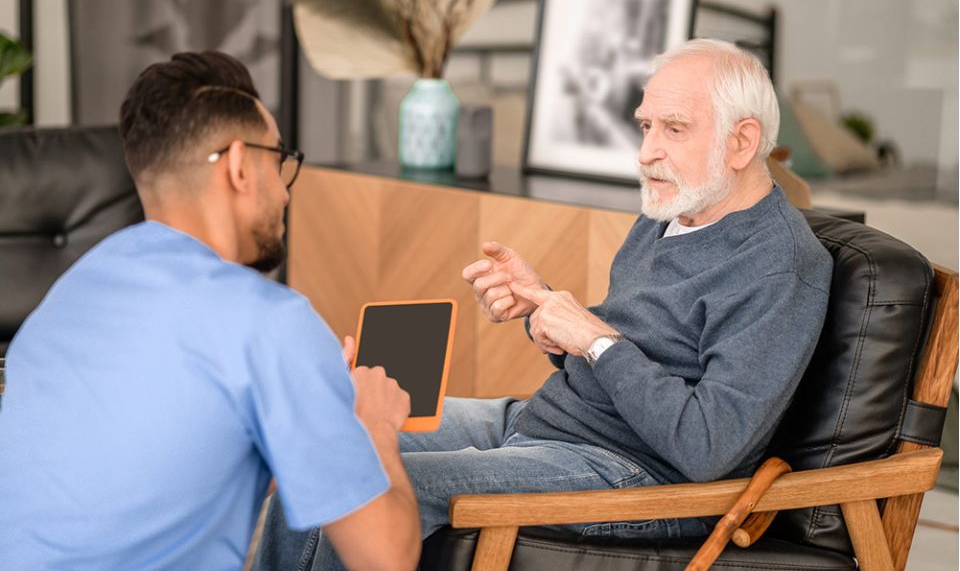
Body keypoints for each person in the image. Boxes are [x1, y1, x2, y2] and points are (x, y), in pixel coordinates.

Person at [254, 38, 834, 570]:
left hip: (639, 476)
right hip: (546, 426)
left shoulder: (779, 267)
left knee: (367, 481)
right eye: (645, 126)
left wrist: (595, 339)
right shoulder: (674, 211)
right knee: (325, 443)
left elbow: (708, 445)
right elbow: (639, 350)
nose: (646, 153)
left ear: (743, 142)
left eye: (674, 129)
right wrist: (548, 315)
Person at [0, 52, 420, 570]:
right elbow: (387, 560)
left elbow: (158, 476)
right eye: (279, 160)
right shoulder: (269, 321)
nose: (286, 193)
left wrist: (304, 414)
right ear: (241, 165)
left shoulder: (65, 299)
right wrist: (370, 426)